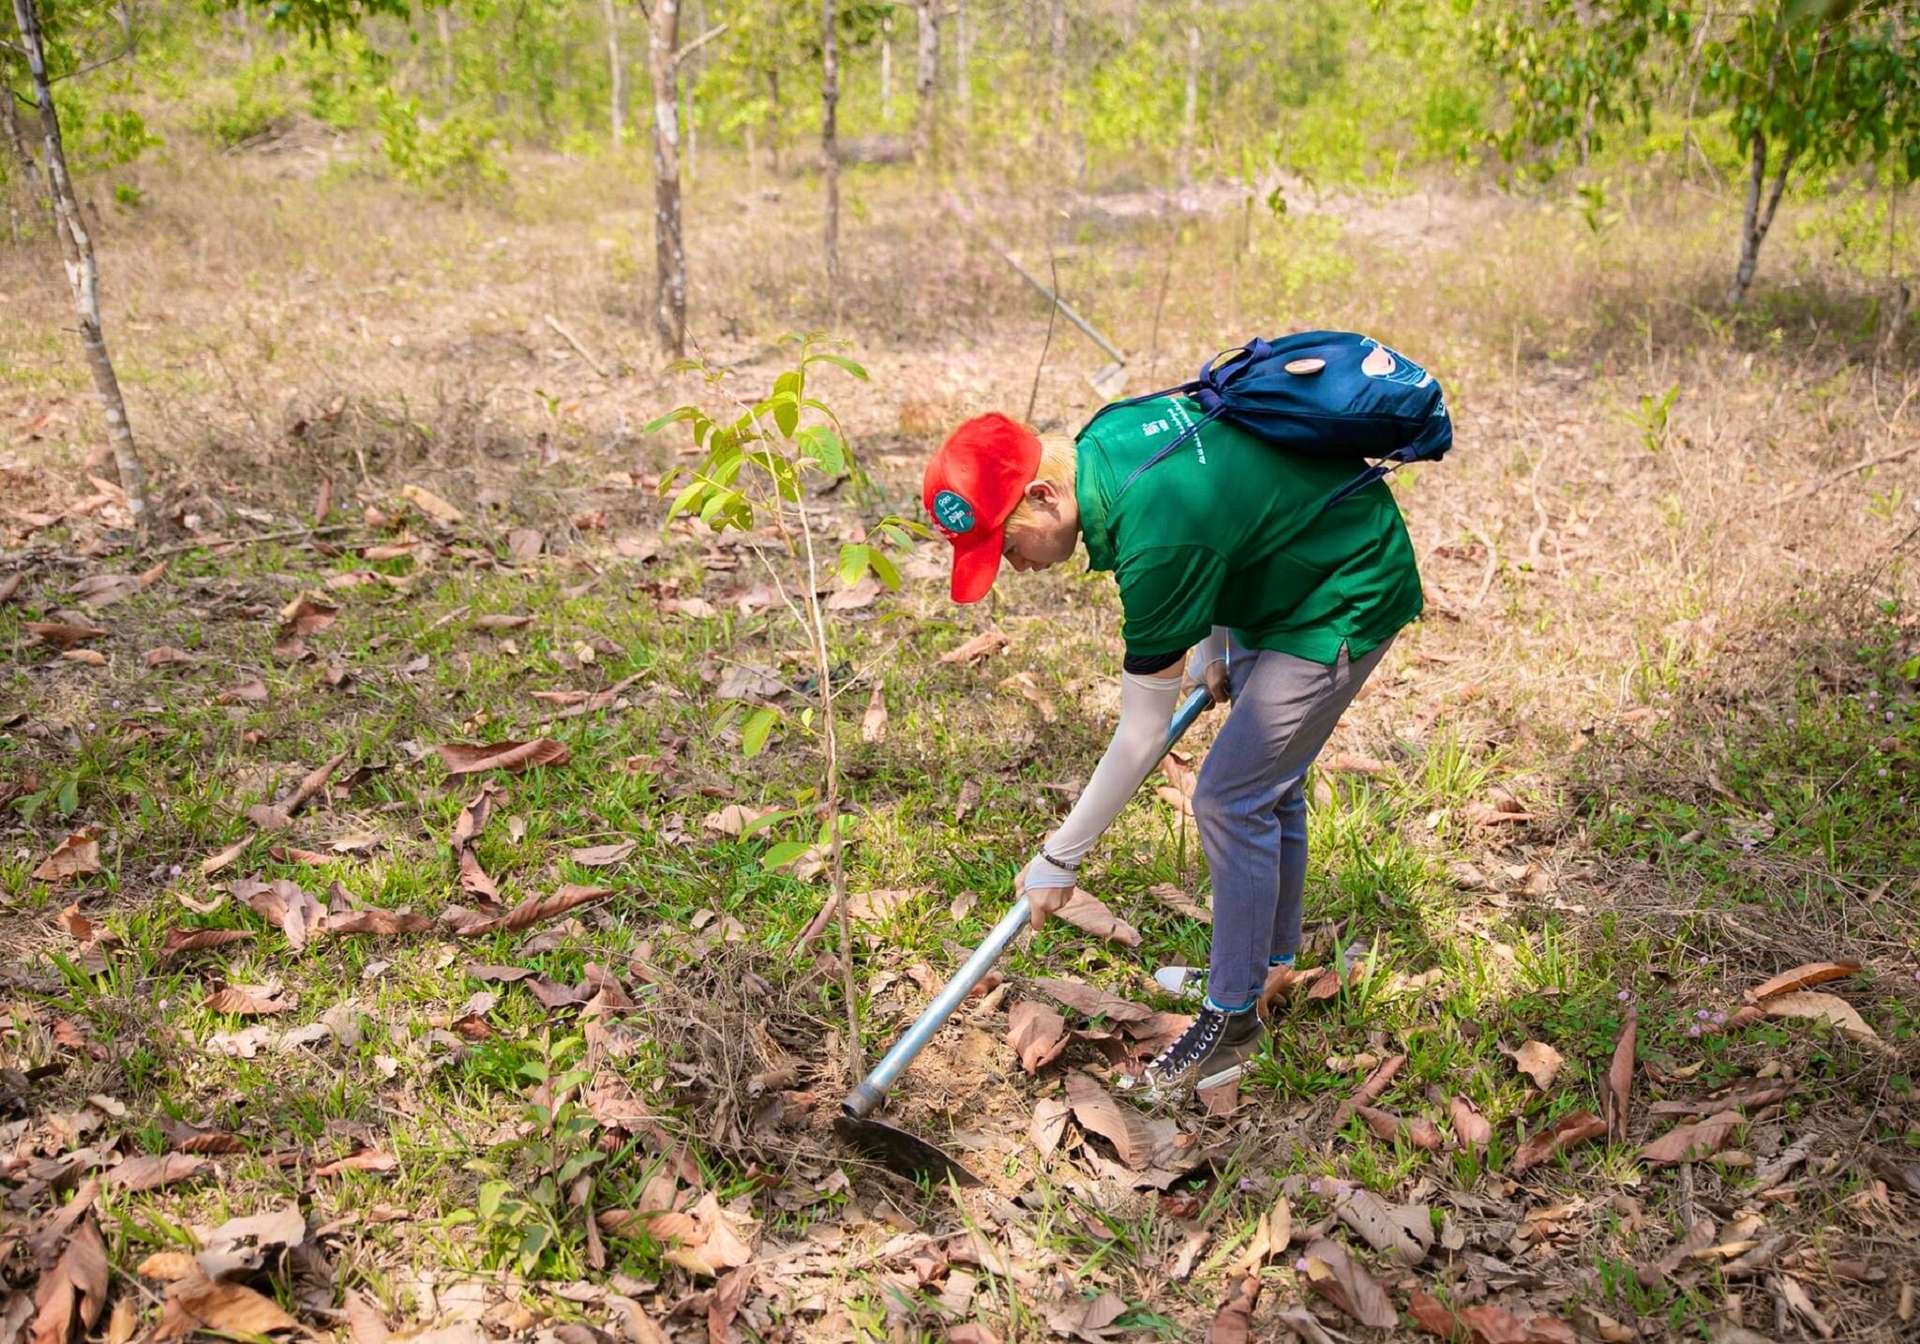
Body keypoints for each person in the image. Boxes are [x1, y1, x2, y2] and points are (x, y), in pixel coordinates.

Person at [921, 398, 1423, 1100]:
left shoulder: (1152, 541)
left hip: (1342, 583)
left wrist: (1059, 858)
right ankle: (1265, 966)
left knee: (1230, 796)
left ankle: (1233, 1023)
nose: (1014, 567)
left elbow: (1140, 736)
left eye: (1006, 546)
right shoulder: (1105, 439)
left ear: (1041, 495)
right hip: (1280, 565)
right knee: (1264, 782)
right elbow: (1219, 500)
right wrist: (1214, 643)